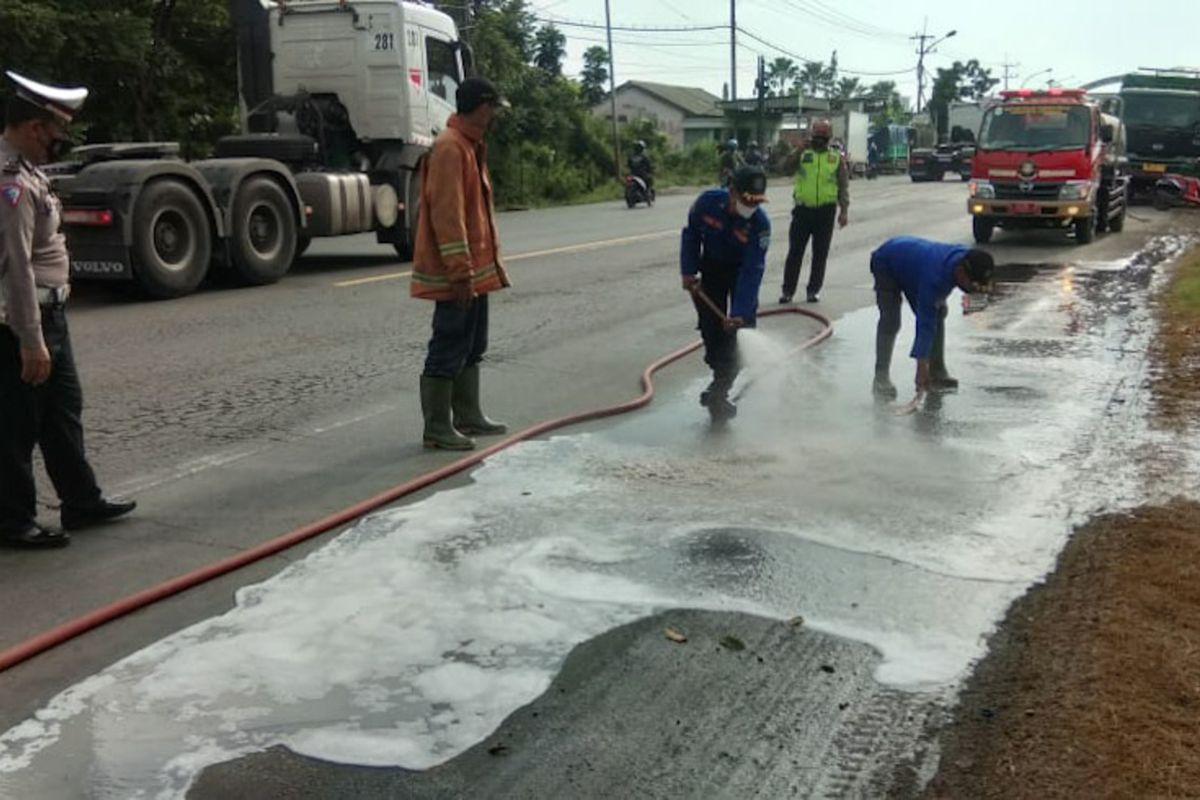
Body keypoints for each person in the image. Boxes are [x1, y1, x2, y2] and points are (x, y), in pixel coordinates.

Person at [0, 71, 136, 549]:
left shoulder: (28, 171)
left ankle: (81, 500)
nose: (59, 145)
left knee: (62, 413)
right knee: (16, 426)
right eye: (57, 136)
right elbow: (15, 266)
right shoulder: (9, 182)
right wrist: (30, 339)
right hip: (23, 322)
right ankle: (12, 521)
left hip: (50, 315)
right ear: (36, 128)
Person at [411, 77, 512, 451]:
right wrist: (459, 272)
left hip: (475, 272)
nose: (496, 115)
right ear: (482, 107)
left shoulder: (470, 145)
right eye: (494, 108)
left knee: (473, 344)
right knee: (449, 343)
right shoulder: (451, 149)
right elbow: (448, 216)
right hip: (458, 273)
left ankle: (468, 415)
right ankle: (437, 428)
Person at [680, 164, 770, 423]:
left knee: (739, 338)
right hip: (712, 270)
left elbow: (753, 270)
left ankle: (719, 391)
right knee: (712, 330)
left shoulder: (759, 224)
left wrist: (740, 312)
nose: (750, 206)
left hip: (741, 274)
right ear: (732, 191)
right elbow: (691, 234)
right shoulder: (707, 203)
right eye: (745, 200)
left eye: (756, 202)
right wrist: (688, 271)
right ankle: (719, 378)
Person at [869, 236, 994, 399]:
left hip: (914, 268)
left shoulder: (965, 259)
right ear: (961, 272)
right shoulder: (935, 278)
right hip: (887, 262)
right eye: (972, 283)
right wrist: (921, 369)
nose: (973, 288)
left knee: (939, 311)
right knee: (891, 320)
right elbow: (925, 324)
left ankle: (937, 371)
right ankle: (881, 377)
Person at [779, 118, 849, 304]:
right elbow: (785, 169)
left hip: (825, 212)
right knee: (795, 252)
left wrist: (844, 211)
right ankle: (788, 291)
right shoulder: (803, 153)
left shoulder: (836, 157)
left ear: (829, 136)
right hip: (803, 210)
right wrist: (799, 149)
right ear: (811, 134)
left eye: (824, 135)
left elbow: (843, 186)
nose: (819, 138)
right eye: (817, 134)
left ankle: (813, 290)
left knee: (820, 254)